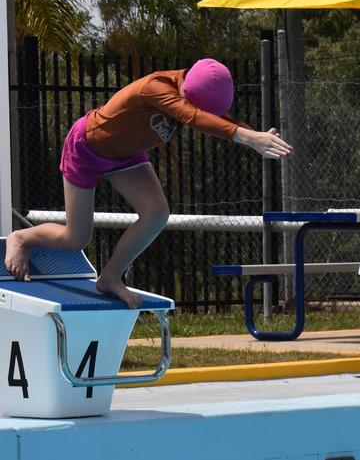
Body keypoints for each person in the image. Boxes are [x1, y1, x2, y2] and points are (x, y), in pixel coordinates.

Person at [3, 59, 292, 307]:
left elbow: (211, 116)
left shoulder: (194, 88)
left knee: (156, 214)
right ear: (185, 92)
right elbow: (191, 116)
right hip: (86, 148)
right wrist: (248, 137)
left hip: (126, 156)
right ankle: (22, 238)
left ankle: (111, 276)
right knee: (76, 238)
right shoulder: (156, 87)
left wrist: (254, 137)